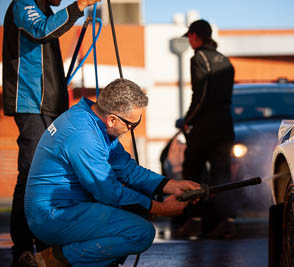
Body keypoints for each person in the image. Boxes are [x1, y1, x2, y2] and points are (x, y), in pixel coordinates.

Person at [24, 78, 199, 266]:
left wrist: (170, 185)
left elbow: (127, 169)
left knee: (134, 214)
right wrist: (161, 208)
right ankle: (49, 261)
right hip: (52, 215)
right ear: (113, 119)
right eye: (131, 125)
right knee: (141, 232)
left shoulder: (94, 121)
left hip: (67, 208)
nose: (130, 130)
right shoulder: (84, 136)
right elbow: (109, 193)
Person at [2, 0, 100, 265]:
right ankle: (23, 246)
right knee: (31, 172)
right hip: (31, 103)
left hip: (51, 105)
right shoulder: (24, 4)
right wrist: (78, 7)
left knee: (52, 175)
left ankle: (46, 242)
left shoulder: (47, 10)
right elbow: (41, 30)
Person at [175, 19, 236, 239]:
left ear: (194, 36)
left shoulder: (199, 58)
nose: (189, 41)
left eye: (190, 37)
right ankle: (227, 223)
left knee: (192, 172)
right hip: (225, 124)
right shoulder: (225, 60)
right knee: (223, 174)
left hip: (205, 126)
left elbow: (200, 95)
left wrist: (187, 120)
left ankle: (195, 221)